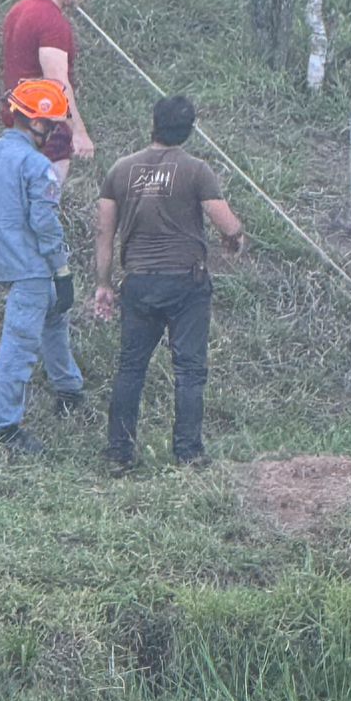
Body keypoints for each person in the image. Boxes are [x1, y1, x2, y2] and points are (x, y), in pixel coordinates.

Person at [93, 96, 245, 473]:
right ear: (189, 130)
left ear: (153, 124)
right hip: (185, 283)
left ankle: (119, 454)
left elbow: (104, 234)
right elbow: (227, 224)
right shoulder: (196, 170)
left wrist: (104, 283)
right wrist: (236, 239)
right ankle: (189, 454)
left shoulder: (120, 170)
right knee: (189, 370)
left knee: (131, 369)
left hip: (139, 282)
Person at [0, 78, 85, 455]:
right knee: (20, 344)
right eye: (53, 124)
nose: (54, 131)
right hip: (32, 265)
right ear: (36, 122)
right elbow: (45, 224)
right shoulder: (34, 165)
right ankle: (5, 427)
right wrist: (62, 271)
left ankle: (70, 389)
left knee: (53, 319)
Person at [0, 0, 96, 183]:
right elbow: (57, 82)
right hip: (44, 127)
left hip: (15, 120)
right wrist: (78, 132)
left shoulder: (18, 10)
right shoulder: (52, 22)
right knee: (44, 204)